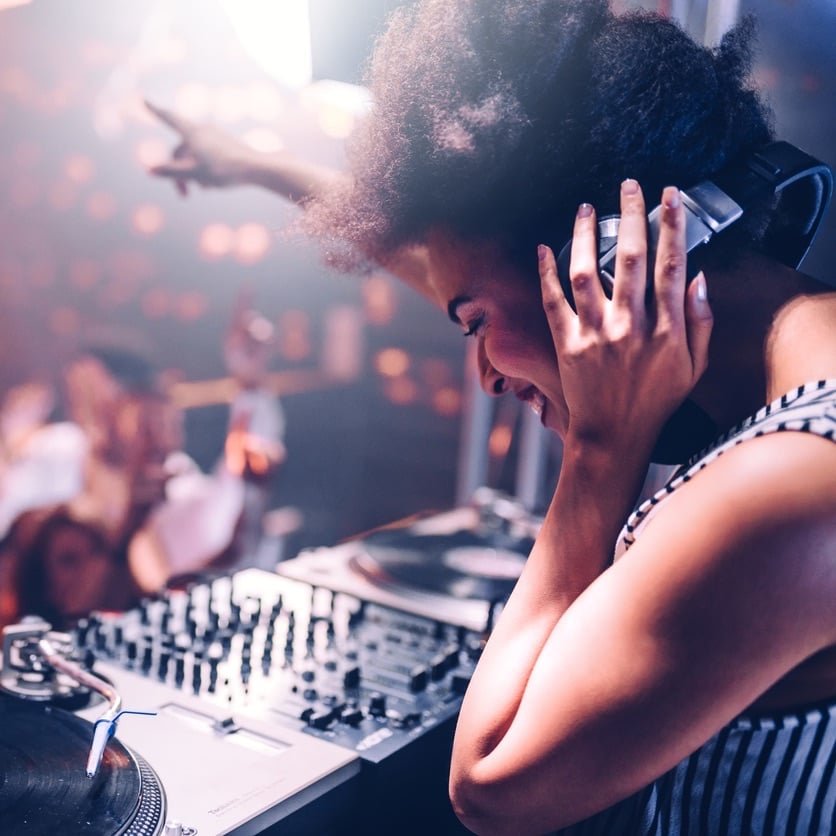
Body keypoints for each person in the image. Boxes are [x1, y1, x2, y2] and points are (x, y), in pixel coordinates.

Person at [146, 2, 836, 832]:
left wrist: (601, 450)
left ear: (608, 269)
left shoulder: (789, 490)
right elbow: (453, 263)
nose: (484, 376)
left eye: (473, 326)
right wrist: (257, 166)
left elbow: (493, 786)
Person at [0, 299, 286, 628]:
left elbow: (228, 499)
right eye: (77, 391)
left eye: (99, 394)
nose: (89, 408)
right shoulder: (57, 450)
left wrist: (251, 385)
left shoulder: (171, 482)